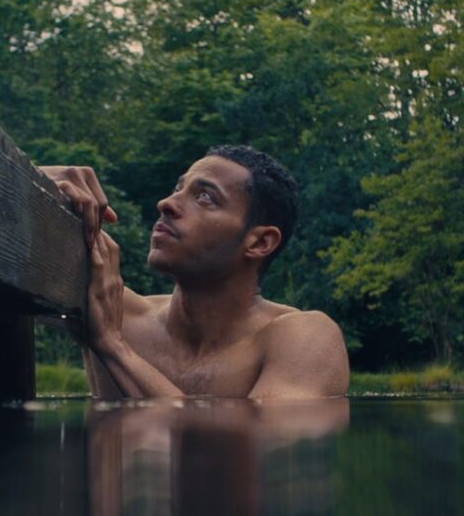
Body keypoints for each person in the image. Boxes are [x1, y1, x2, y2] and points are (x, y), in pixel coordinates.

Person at [40, 145, 348, 399]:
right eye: (178, 188)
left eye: (205, 198)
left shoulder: (303, 337)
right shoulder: (111, 308)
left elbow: (251, 442)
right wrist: (40, 183)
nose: (166, 204)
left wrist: (114, 348)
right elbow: (0, 250)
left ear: (260, 242)